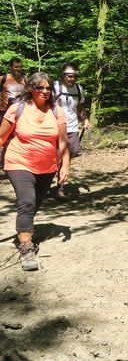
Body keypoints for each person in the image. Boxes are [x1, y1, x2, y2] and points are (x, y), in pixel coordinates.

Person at [0, 72, 70, 271]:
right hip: (18, 162)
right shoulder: (17, 109)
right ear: (30, 88)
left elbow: (63, 142)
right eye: (40, 87)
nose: (45, 91)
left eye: (48, 88)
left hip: (47, 166)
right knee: (27, 201)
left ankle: (24, 228)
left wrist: (65, 166)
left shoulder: (57, 112)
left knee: (34, 203)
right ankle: (26, 248)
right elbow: (1, 137)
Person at [52, 62, 91, 198]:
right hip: (54, 128)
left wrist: (85, 119)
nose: (72, 79)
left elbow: (80, 107)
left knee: (67, 158)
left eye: (75, 76)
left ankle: (60, 186)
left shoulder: (79, 89)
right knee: (54, 158)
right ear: (63, 76)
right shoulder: (55, 87)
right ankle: (46, 185)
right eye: (69, 76)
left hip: (72, 128)